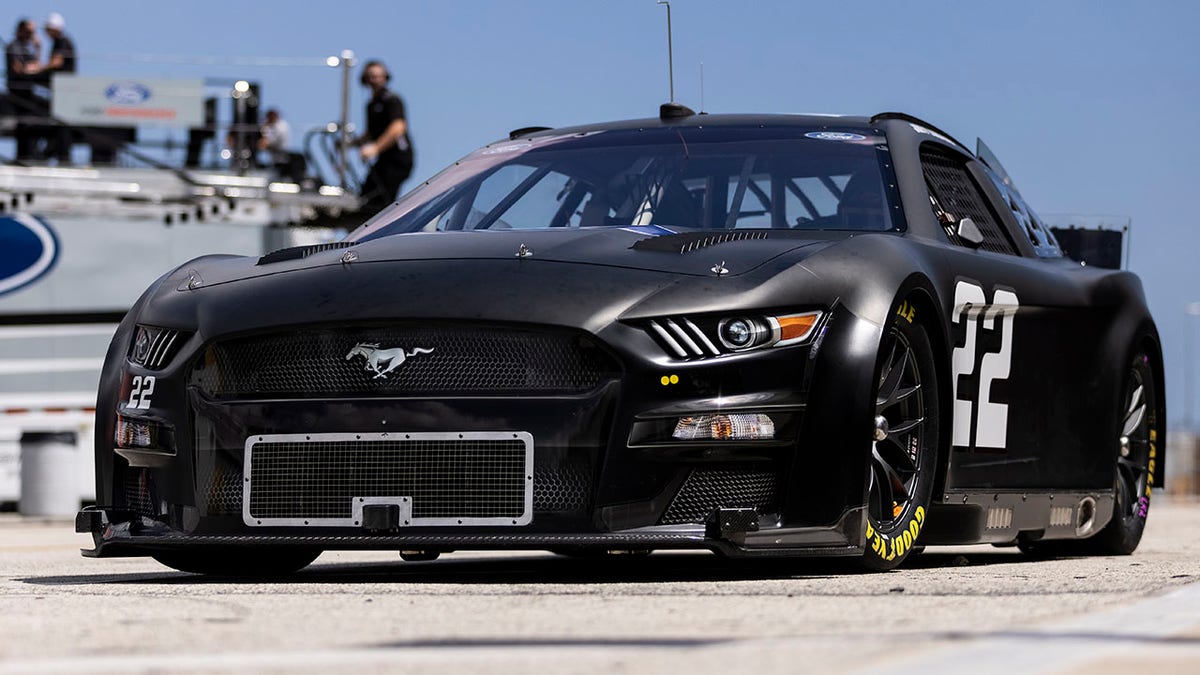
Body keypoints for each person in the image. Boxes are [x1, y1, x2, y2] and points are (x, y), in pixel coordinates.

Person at [358, 60, 414, 216]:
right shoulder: (370, 105)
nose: (375, 80)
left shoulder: (392, 100)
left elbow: (398, 127)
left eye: (378, 76)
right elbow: (370, 132)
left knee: (383, 202)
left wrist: (375, 148)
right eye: (371, 77)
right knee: (366, 196)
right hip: (383, 160)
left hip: (397, 160)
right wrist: (351, 144)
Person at [37, 12, 76, 162]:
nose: (45, 31)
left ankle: (59, 155)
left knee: (61, 124)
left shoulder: (62, 41)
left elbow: (56, 62)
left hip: (65, 90)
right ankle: (50, 152)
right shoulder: (58, 42)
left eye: (47, 28)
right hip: (61, 89)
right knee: (56, 122)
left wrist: (37, 69)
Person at [5, 18, 45, 160]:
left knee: (35, 119)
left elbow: (36, 66)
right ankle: (22, 155)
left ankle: (32, 154)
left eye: (33, 32)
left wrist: (38, 47)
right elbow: (19, 69)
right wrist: (28, 69)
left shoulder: (27, 48)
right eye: (29, 31)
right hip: (17, 91)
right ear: (21, 30)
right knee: (23, 123)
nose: (31, 35)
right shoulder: (13, 46)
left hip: (28, 90)